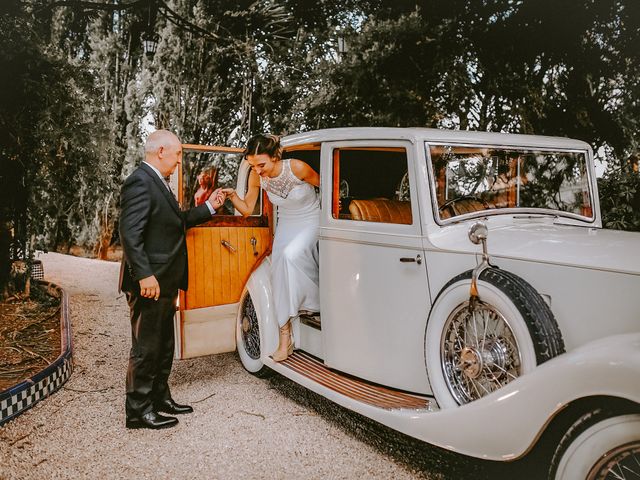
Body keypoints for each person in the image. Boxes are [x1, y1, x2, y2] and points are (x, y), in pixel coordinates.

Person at [118, 129, 224, 430]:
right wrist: (145, 275)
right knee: (146, 347)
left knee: (164, 344)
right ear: (160, 151)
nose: (180, 160)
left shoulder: (159, 183)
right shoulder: (140, 181)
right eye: (177, 153)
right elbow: (130, 234)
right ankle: (138, 410)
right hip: (150, 282)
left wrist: (210, 207)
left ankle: (160, 397)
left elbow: (176, 223)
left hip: (166, 280)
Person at [222, 134, 320, 362]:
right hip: (287, 223)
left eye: (261, 164)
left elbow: (328, 186)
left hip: (311, 219)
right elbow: (247, 208)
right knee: (278, 267)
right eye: (253, 165)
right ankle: (286, 339)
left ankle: (310, 303)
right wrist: (232, 196)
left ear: (275, 157)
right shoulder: (258, 178)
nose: (258, 170)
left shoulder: (297, 168)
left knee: (289, 256)